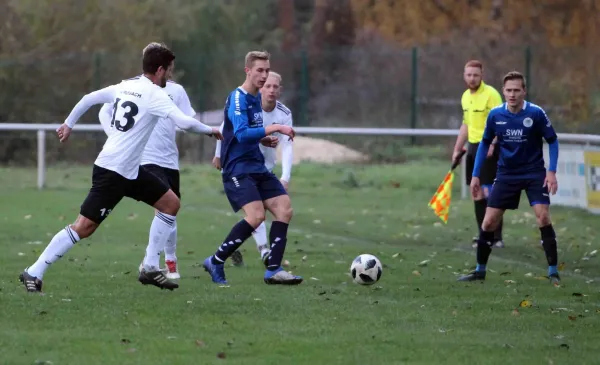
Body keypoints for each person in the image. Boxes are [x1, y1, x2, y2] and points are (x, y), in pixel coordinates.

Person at [19, 43, 222, 293]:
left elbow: (88, 99)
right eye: (169, 70)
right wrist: (211, 131)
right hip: (112, 171)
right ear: (159, 70)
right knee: (84, 226)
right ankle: (34, 271)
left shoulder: (125, 85)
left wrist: (68, 124)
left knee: (170, 204)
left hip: (131, 170)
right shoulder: (154, 94)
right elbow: (184, 121)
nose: (170, 76)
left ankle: (149, 266)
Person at [202, 51, 302, 285]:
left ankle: (274, 270)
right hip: (237, 169)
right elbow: (240, 132)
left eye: (267, 70)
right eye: (260, 70)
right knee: (256, 216)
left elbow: (248, 135)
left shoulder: (257, 99)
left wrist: (262, 140)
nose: (264, 75)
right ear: (247, 71)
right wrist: (273, 128)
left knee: (284, 209)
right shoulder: (238, 98)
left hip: (256, 166)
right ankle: (216, 260)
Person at [98, 43, 197, 280]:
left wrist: (188, 127)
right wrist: (114, 135)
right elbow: (104, 111)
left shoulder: (176, 91)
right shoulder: (131, 88)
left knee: (171, 210)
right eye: (168, 68)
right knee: (164, 206)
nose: (170, 72)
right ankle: (156, 263)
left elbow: (187, 120)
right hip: (145, 159)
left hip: (169, 160)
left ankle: (168, 259)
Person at [457, 71, 560, 285]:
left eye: (516, 90)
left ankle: (552, 271)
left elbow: (553, 140)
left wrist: (551, 172)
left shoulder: (536, 113)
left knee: (543, 216)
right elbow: (484, 142)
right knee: (488, 222)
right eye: (509, 90)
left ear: (524, 91)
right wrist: (476, 175)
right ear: (503, 92)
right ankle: (479, 271)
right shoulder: (496, 115)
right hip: (506, 174)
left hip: (533, 173)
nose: (512, 94)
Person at [212, 71, 294, 267]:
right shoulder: (246, 103)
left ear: (280, 90)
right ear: (261, 87)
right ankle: (264, 251)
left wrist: (286, 176)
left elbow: (288, 145)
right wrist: (218, 154)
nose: (271, 90)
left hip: (265, 168)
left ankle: (271, 265)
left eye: (275, 87)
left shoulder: (284, 113)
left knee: (279, 210)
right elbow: (227, 127)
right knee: (256, 213)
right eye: (268, 86)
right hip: (242, 167)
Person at [452, 60, 505, 248]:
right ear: (464, 75)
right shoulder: (465, 96)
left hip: (490, 147)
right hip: (474, 148)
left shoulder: (492, 95)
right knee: (476, 192)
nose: (472, 78)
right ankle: (483, 233)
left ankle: (496, 237)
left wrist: (493, 143)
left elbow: (501, 122)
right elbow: (466, 124)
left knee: (489, 192)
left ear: (482, 75)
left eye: (475, 75)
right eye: (469, 75)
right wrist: (457, 148)